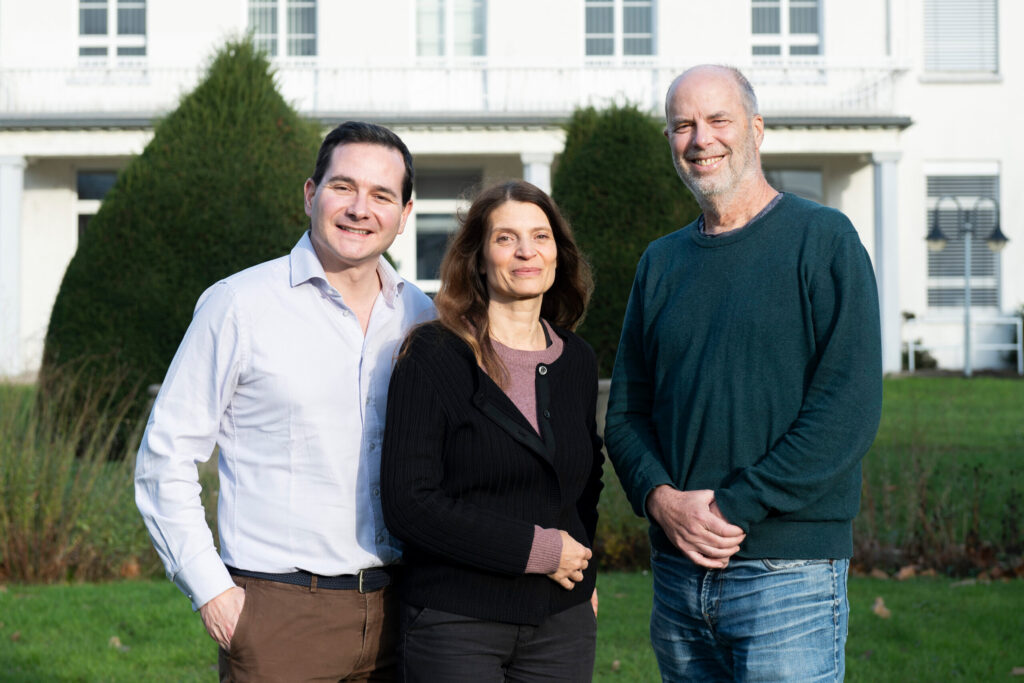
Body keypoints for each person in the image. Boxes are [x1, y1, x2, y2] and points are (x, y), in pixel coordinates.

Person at [604, 64, 883, 681]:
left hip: (791, 577)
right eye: (683, 125)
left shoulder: (824, 240)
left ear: (756, 129)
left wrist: (733, 507)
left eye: (718, 119)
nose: (700, 138)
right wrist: (662, 501)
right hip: (678, 575)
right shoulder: (661, 262)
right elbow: (625, 416)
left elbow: (848, 410)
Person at [135, 121, 434, 682]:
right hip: (279, 614)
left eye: (381, 195)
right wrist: (214, 594)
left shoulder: (423, 317)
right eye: (343, 186)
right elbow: (165, 457)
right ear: (309, 193)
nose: (359, 209)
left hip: (406, 611)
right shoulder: (239, 306)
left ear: (405, 213)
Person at [380, 180, 603, 682]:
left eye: (540, 237)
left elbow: (587, 483)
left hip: (560, 622)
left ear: (558, 255)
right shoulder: (433, 355)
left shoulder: (577, 360)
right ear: (478, 259)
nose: (526, 251)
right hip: (456, 621)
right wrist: (540, 550)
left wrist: (587, 574)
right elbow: (409, 503)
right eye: (505, 239)